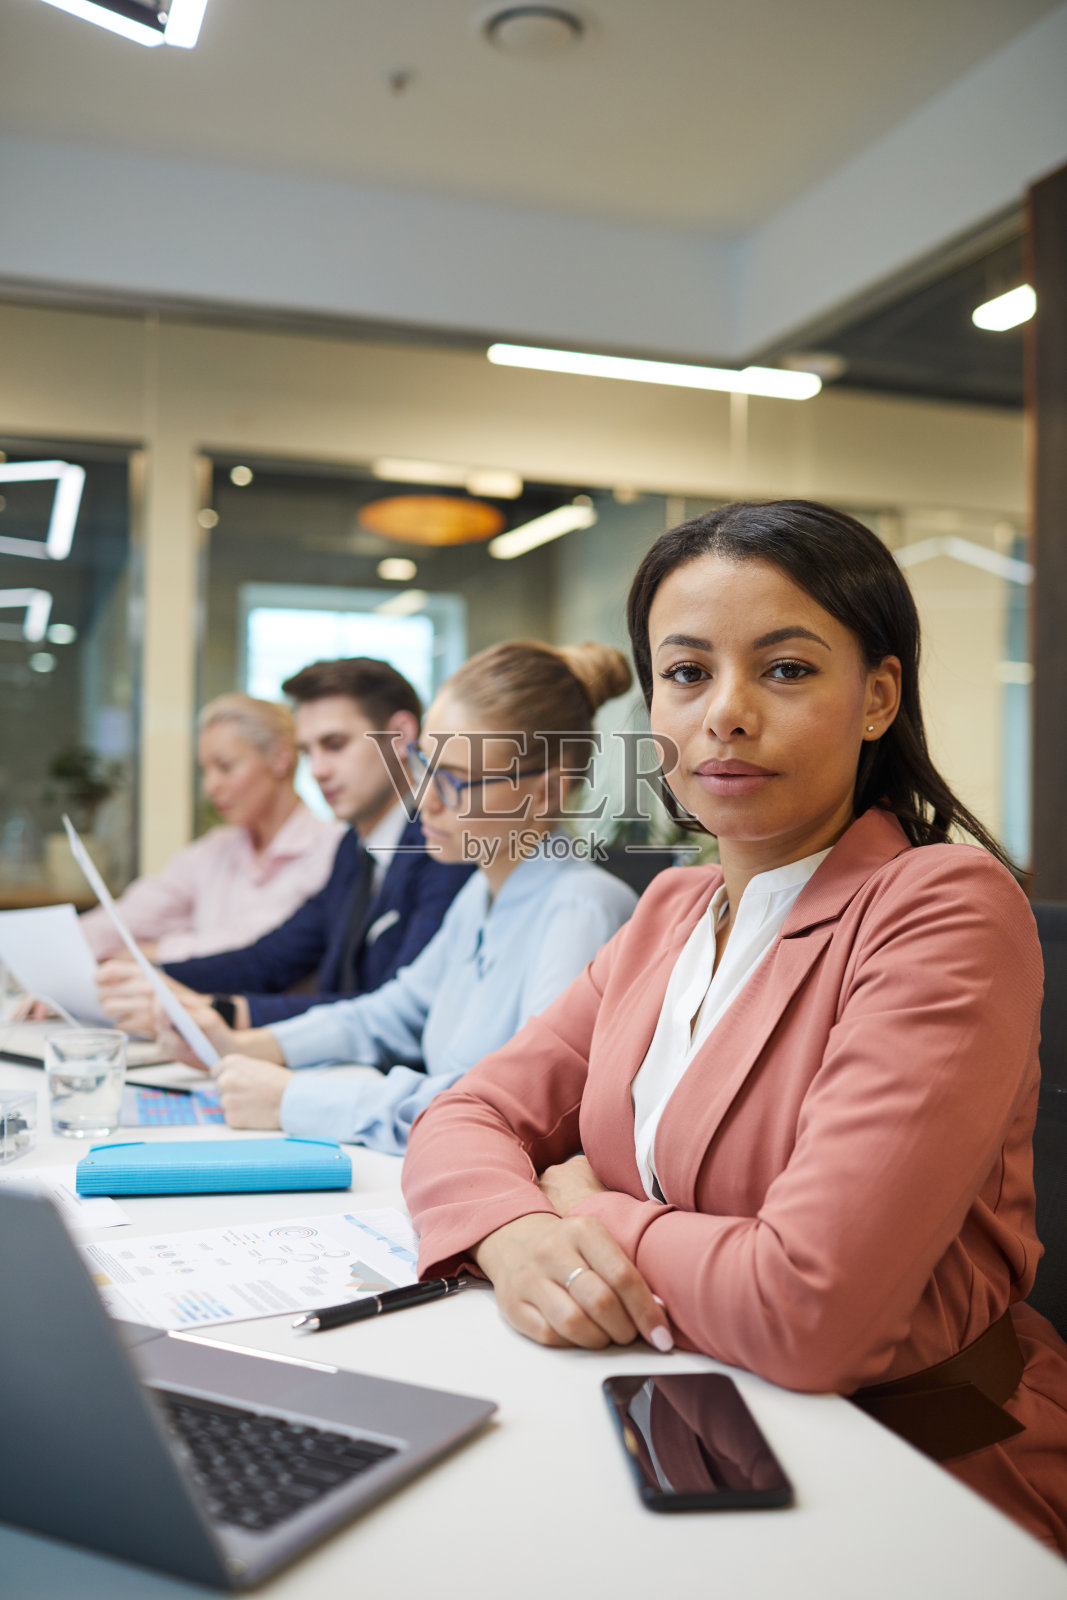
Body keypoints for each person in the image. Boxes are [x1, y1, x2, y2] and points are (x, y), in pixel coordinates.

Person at [401, 501, 1067, 1555]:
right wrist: (518, 1230)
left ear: (875, 696)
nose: (725, 712)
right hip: (682, 1422)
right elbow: (463, 1114)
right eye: (686, 672)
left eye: (786, 669)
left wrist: (591, 1201)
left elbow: (811, 1310)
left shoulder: (940, 906)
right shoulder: (669, 909)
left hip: (912, 1470)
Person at [158, 639, 639, 1154]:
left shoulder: (581, 910)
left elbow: (516, 1107)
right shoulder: (482, 892)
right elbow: (390, 1012)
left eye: (454, 779)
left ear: (544, 791)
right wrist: (249, 1045)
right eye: (424, 764)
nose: (425, 798)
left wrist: (297, 1098)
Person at [99, 659, 473, 1033]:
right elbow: (269, 959)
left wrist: (220, 1011)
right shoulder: (353, 848)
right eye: (309, 752)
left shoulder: (444, 846)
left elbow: (391, 1010)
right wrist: (152, 978)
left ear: (400, 735)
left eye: (335, 745)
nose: (317, 771)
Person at [81, 694, 342, 963]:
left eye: (225, 767)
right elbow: (136, 911)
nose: (210, 787)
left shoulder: (331, 850)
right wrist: (70, 950)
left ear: (280, 759)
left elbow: (258, 948)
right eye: (205, 770)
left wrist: (144, 953)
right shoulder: (215, 849)